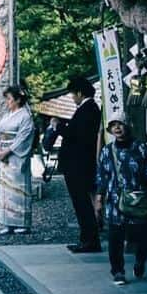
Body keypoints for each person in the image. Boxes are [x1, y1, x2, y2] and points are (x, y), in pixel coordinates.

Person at [96, 117, 147, 286]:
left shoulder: (140, 148)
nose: (117, 128)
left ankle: (140, 260)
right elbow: (102, 176)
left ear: (128, 125)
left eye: (120, 124)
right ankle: (117, 271)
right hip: (114, 200)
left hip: (138, 198)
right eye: (113, 125)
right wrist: (99, 198)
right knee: (115, 236)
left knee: (142, 235)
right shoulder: (107, 151)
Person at [44, 75, 103, 253]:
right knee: (81, 203)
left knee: (82, 203)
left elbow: (77, 136)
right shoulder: (87, 110)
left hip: (79, 164)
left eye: (73, 94)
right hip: (78, 163)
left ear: (79, 93)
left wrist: (58, 127)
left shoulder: (89, 110)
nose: (72, 98)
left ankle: (89, 240)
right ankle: (86, 238)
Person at [0, 86, 35, 235]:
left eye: (9, 99)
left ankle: (22, 222)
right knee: (6, 190)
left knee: (19, 188)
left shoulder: (25, 116)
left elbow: (23, 137)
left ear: (18, 99)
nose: (7, 102)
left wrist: (7, 151)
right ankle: (8, 222)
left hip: (16, 157)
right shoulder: (6, 116)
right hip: (4, 155)